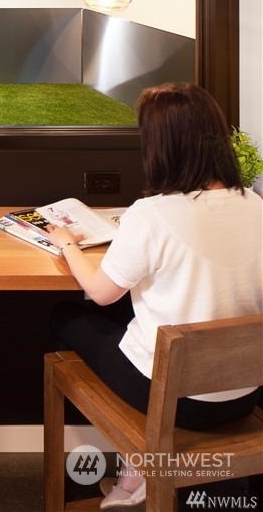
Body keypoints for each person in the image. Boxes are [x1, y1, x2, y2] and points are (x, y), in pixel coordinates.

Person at [45, 83, 262, 509]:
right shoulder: (255, 205)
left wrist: (67, 243)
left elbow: (101, 293)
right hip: (242, 395)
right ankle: (137, 473)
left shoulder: (152, 215)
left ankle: (140, 463)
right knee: (131, 323)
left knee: (65, 318)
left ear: (162, 146)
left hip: (176, 400)